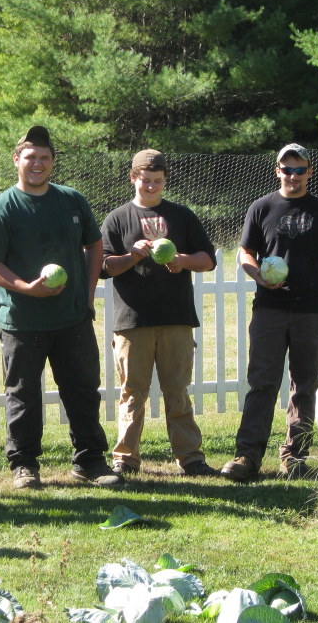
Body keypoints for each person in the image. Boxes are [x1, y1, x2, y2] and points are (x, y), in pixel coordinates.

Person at [0, 125, 122, 489]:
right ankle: (24, 464)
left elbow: (95, 246)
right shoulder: (1, 208)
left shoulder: (72, 200)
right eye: (30, 156)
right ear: (16, 160)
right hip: (21, 320)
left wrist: (87, 295)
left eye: (44, 157)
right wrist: (26, 288)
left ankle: (90, 461)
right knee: (23, 395)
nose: (37, 163)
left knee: (83, 390)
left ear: (53, 162)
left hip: (72, 318)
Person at [221, 144, 318, 482]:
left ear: (309, 171)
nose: (293, 175)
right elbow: (245, 253)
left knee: (304, 386)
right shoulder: (261, 207)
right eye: (287, 169)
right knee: (261, 383)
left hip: (311, 311)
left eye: (300, 169)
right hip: (270, 310)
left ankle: (294, 457)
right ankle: (247, 456)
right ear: (277, 170)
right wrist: (257, 274)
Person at [100, 149, 219, 477]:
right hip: (131, 321)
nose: (151, 186)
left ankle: (190, 458)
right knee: (132, 391)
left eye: (157, 181)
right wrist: (132, 257)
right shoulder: (118, 218)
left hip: (176, 318)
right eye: (145, 180)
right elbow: (103, 267)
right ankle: (125, 459)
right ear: (133, 178)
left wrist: (183, 261)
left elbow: (208, 259)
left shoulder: (182, 216)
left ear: (165, 180)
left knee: (177, 391)